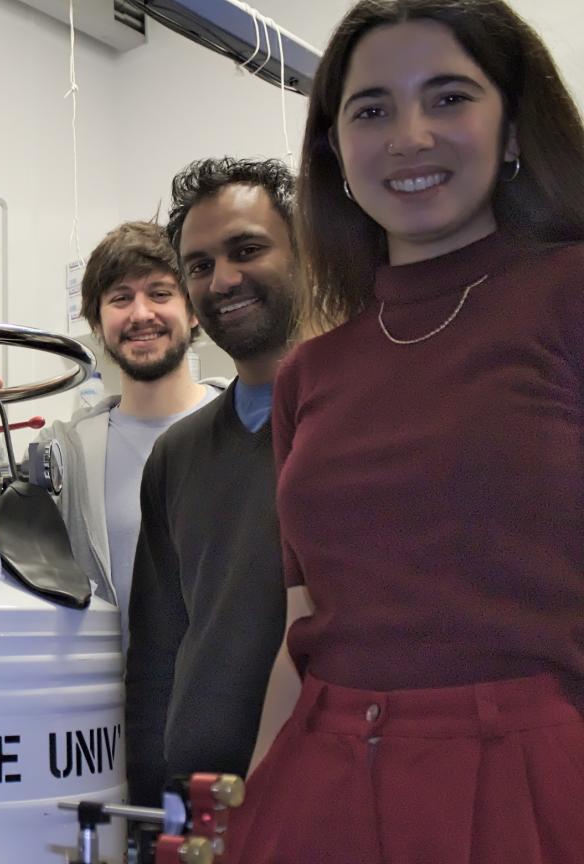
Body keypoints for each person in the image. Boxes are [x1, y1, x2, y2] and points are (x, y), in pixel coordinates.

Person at [235, 2, 584, 860]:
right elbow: (304, 633)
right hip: (318, 784)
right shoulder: (308, 377)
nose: (410, 135)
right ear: (334, 149)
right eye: (372, 109)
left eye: (450, 97)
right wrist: (241, 821)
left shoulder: (570, 296)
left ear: (511, 130)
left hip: (533, 781)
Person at [124, 157, 298, 807]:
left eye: (247, 249)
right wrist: (148, 810)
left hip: (319, 790)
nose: (223, 279)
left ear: (306, 255)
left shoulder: (355, 426)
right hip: (198, 804)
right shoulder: (178, 454)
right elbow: (156, 656)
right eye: (199, 265)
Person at [37, 221, 222, 650]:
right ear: (98, 324)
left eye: (160, 293)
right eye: (121, 298)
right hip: (112, 706)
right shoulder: (67, 451)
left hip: (233, 707)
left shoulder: (245, 424)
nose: (141, 314)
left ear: (193, 309)